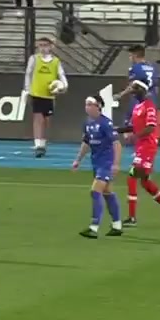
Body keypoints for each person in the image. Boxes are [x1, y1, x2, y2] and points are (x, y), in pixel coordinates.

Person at [119, 80, 160, 227]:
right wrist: (118, 130)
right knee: (145, 182)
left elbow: (151, 128)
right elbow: (134, 126)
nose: (132, 91)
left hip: (148, 147)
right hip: (141, 147)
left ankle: (132, 218)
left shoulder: (149, 106)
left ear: (142, 90)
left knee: (132, 176)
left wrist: (134, 136)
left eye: (135, 88)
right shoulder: (137, 107)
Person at [71, 96, 123, 239]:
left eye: (90, 104)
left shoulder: (106, 123)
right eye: (86, 104)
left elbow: (117, 144)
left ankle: (94, 227)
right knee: (107, 193)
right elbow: (86, 142)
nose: (87, 107)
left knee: (95, 192)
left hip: (106, 163)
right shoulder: (87, 123)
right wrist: (78, 160)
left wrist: (116, 163)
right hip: (96, 163)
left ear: (98, 106)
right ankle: (117, 225)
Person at [23, 36, 67, 158]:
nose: (43, 48)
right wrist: (27, 90)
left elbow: (61, 74)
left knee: (47, 121)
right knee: (38, 119)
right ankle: (38, 146)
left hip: (49, 95)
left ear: (51, 46)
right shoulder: (34, 59)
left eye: (45, 45)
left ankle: (43, 143)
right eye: (40, 45)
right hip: (36, 93)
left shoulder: (55, 61)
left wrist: (63, 86)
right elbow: (28, 74)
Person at [115, 45, 158, 109]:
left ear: (134, 56)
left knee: (131, 118)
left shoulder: (134, 68)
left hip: (140, 103)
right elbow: (156, 88)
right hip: (152, 103)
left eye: (130, 56)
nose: (129, 58)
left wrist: (120, 95)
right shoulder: (154, 68)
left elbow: (133, 86)